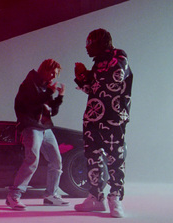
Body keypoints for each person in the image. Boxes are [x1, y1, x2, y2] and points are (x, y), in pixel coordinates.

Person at [73, 28, 133, 218]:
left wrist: (85, 74)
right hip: (93, 118)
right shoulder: (98, 64)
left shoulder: (119, 56)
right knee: (93, 157)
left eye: (90, 43)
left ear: (101, 42)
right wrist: (82, 78)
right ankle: (96, 198)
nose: (86, 47)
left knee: (116, 158)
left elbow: (113, 81)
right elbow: (93, 89)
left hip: (113, 117)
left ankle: (115, 198)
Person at [6, 59, 69, 210]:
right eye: (52, 72)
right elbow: (32, 103)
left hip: (45, 128)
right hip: (31, 127)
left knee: (56, 160)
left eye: (56, 74)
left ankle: (51, 195)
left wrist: (59, 97)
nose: (54, 76)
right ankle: (14, 196)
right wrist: (49, 92)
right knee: (32, 160)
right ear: (44, 69)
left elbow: (51, 111)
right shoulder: (29, 83)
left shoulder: (45, 86)